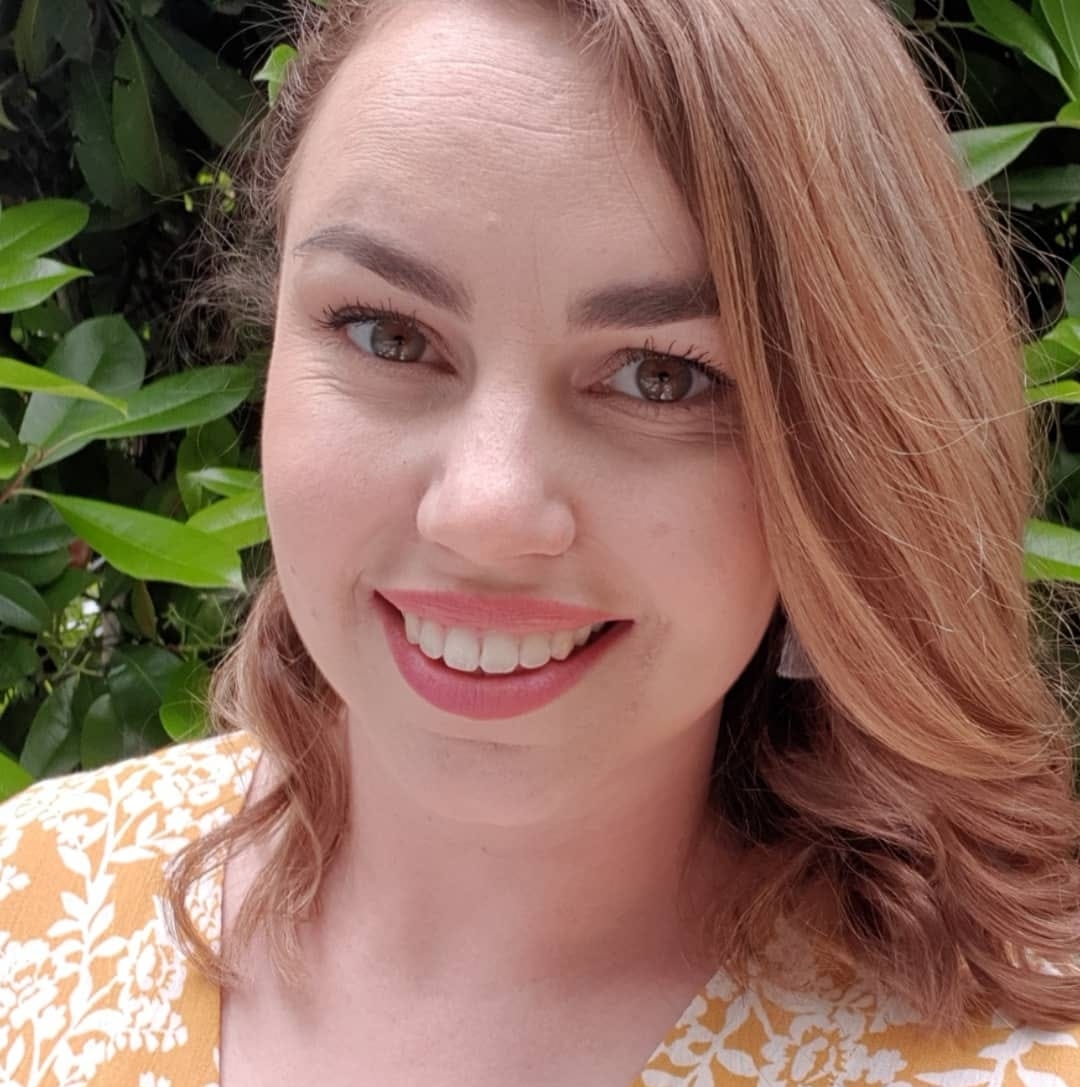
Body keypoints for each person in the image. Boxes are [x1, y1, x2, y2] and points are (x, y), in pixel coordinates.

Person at [4, 0, 1080, 1082]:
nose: (487, 510)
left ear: (846, 452)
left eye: (662, 375)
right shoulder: (30, 901)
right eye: (389, 334)